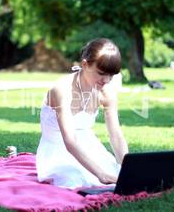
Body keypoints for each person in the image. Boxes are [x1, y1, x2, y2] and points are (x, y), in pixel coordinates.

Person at [36, 38, 129, 189]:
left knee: (118, 173)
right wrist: (101, 174)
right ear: (85, 65)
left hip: (89, 146)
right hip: (58, 149)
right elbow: (70, 142)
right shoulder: (61, 90)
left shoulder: (107, 91)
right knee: (76, 178)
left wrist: (127, 167)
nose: (107, 80)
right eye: (102, 73)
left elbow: (116, 135)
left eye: (111, 75)